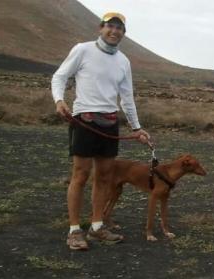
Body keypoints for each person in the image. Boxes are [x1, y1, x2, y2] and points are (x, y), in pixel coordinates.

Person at [52, 12, 151, 250]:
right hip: (85, 120)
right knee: (81, 175)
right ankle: (75, 230)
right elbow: (60, 76)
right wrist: (58, 100)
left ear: (123, 34)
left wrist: (137, 127)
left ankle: (97, 227)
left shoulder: (123, 61)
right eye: (110, 26)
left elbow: (126, 97)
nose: (114, 31)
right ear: (101, 28)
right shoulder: (82, 50)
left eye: (119, 28)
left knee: (105, 176)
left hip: (109, 122)